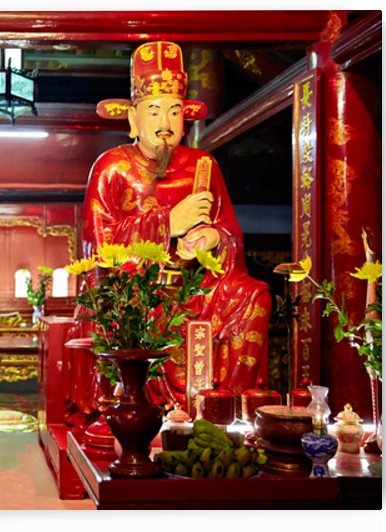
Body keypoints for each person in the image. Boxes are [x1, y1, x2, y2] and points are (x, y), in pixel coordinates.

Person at [82, 41, 272, 407]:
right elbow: (97, 245)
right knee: (130, 304)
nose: (165, 124)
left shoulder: (203, 166)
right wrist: (167, 223)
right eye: (153, 112)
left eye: (174, 112)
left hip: (196, 286)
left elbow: (230, 231)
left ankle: (225, 403)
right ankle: (139, 401)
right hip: (137, 284)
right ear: (133, 118)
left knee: (252, 294)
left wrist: (212, 238)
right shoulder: (112, 168)